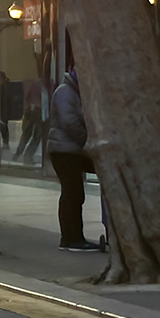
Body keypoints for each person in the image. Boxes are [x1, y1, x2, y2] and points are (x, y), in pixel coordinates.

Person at [49, 66, 97, 253]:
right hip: (65, 150)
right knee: (73, 193)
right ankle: (73, 238)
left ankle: (69, 238)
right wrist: (87, 141)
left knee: (72, 193)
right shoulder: (65, 92)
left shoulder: (75, 92)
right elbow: (69, 121)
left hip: (70, 149)